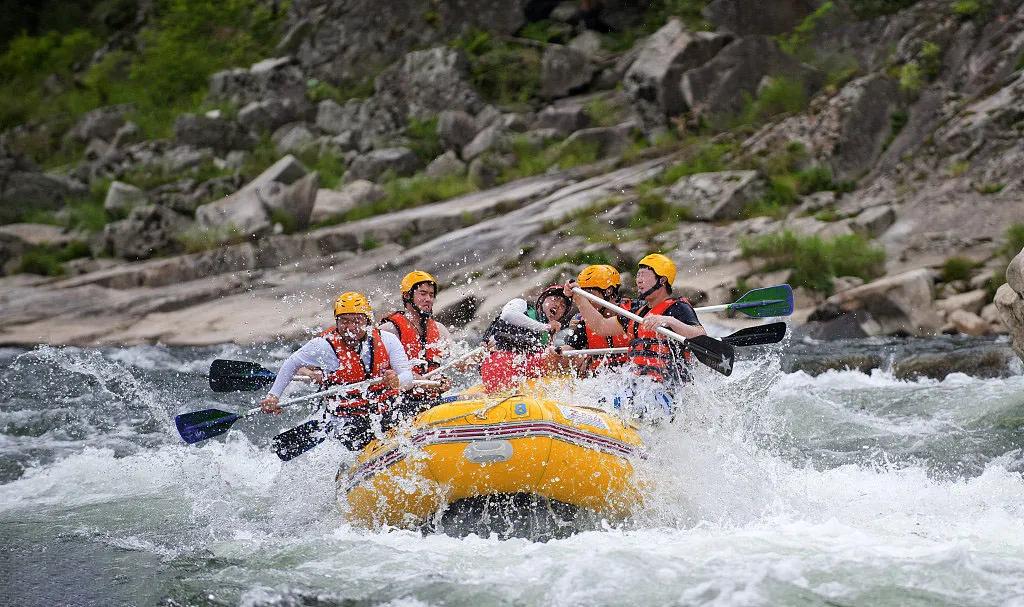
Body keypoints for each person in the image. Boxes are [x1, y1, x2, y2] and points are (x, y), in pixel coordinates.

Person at [260, 291, 414, 450]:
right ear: (337, 322)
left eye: (357, 320)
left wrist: (397, 381)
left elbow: (408, 377)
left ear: (367, 321)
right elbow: (291, 363)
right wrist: (273, 396)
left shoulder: (387, 340)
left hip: (384, 411)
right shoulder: (324, 345)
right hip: (345, 420)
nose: (350, 327)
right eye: (344, 321)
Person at [568, 253, 705, 419]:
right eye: (638, 276)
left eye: (644, 276)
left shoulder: (678, 308)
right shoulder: (637, 314)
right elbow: (601, 326)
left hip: (670, 391)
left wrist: (670, 321)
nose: (638, 281)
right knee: (601, 398)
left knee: (629, 401)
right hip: (639, 386)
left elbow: (700, 335)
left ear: (662, 280)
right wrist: (579, 298)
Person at [379, 270, 455, 413]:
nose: (428, 299)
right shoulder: (389, 330)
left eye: (431, 295)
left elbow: (460, 364)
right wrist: (429, 384)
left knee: (476, 397)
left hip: (432, 401)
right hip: (401, 405)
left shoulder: (440, 329)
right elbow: (381, 371)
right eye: (423, 293)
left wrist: (482, 353)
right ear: (407, 296)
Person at [479, 284, 573, 392]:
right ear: (542, 300)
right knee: (550, 357)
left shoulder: (548, 334)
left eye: (562, 306)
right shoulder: (521, 304)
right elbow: (508, 315)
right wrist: (545, 327)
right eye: (555, 299)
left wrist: (551, 336)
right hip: (500, 362)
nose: (557, 305)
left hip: (522, 371)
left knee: (562, 356)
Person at [562, 264, 633, 376]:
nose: (585, 300)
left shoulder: (634, 312)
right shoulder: (582, 321)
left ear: (608, 291)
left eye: (589, 294)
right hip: (601, 379)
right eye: (582, 295)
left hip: (632, 377)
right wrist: (556, 352)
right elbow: (570, 349)